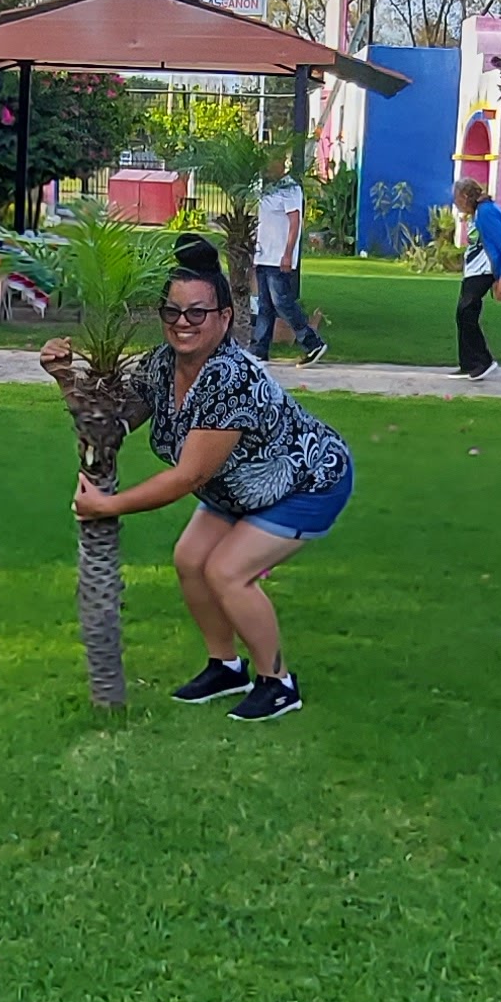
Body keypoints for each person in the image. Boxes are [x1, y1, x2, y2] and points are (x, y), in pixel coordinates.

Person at [46, 235, 353, 723]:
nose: (182, 323)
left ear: (225, 318)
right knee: (190, 559)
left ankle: (278, 683)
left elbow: (190, 475)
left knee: (227, 572)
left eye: (197, 313)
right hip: (238, 487)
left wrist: (109, 506)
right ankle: (226, 666)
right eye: (173, 312)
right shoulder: (162, 365)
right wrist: (65, 377)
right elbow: (115, 420)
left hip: (307, 482)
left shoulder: (228, 379)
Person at [250, 159, 326, 360]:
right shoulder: (266, 189)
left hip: (279, 258)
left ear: (281, 165)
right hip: (264, 256)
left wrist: (288, 254)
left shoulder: (290, 189)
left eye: (270, 164)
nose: (267, 168)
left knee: (282, 303)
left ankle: (312, 343)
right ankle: (259, 350)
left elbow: (295, 223)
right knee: (264, 305)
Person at [453, 177, 501, 379]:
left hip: (484, 270)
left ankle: (483, 361)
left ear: (466, 196)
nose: (456, 202)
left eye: (457, 197)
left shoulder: (487, 212)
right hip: (473, 271)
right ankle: (468, 363)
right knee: (463, 314)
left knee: (467, 313)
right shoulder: (477, 214)